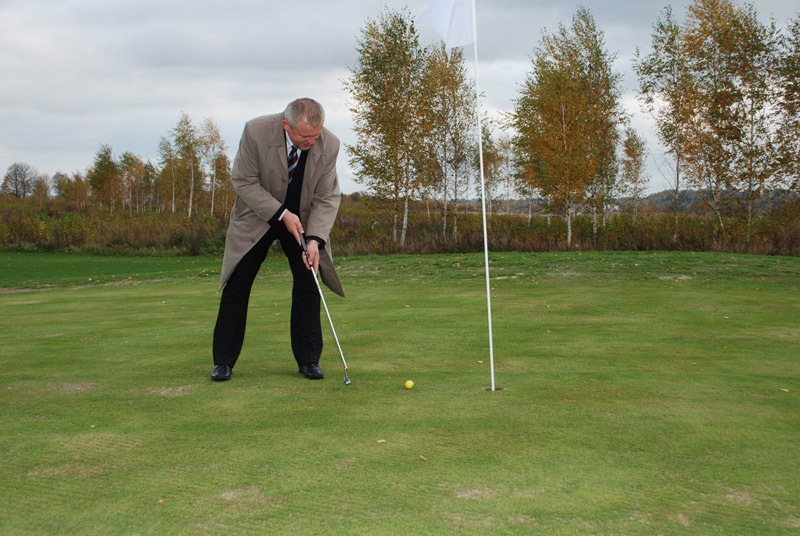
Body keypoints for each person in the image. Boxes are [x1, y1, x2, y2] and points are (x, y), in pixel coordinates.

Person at [211, 98, 343, 382]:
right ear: (286, 125)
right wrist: (281, 213)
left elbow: (327, 196)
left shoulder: (329, 144)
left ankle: (309, 360)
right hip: (257, 216)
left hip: (304, 219)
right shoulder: (255, 131)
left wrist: (315, 240)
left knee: (309, 282)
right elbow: (242, 180)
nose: (311, 141)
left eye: (316, 135)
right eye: (305, 136)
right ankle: (223, 361)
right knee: (238, 282)